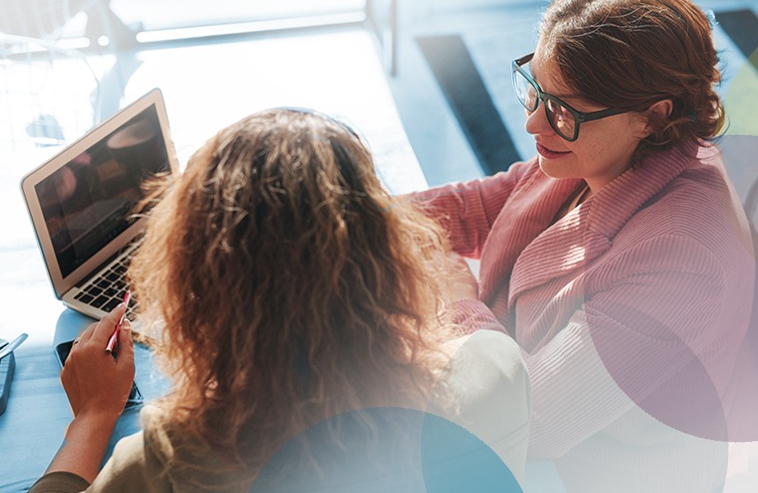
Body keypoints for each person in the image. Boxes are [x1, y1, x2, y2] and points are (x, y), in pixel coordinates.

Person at [29, 109, 531, 492]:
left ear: (194, 288)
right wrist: (459, 299)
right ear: (392, 256)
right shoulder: (492, 375)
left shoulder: (170, 460)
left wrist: (91, 419)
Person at [411, 0, 755, 490]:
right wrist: (336, 210)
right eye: (535, 90)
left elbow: (537, 420)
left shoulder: (684, 256)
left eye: (562, 110)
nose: (533, 124)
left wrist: (455, 296)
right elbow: (479, 206)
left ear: (653, 116)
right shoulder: (596, 149)